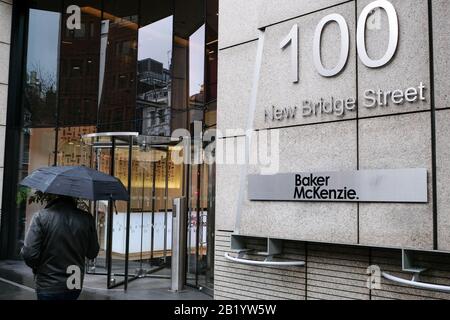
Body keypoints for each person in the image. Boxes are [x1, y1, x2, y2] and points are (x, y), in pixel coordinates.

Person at [21, 195, 100, 300]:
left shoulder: (40, 217)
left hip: (48, 284)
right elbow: (92, 253)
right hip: (74, 283)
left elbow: (29, 254)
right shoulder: (86, 218)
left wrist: (37, 268)